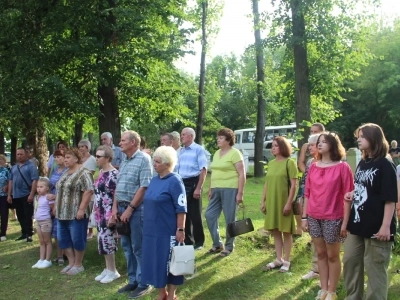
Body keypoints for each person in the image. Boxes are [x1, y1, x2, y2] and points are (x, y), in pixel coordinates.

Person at [343, 123, 397, 300]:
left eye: (362, 136)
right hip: (357, 224)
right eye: (358, 136)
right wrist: (353, 193)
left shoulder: (385, 164)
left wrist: (385, 227)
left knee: (375, 269)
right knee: (350, 261)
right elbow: (363, 187)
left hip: (377, 227)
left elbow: (390, 198)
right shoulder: (363, 163)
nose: (358, 139)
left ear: (374, 138)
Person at [302, 132, 354, 300]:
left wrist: (345, 223)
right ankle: (323, 289)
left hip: (334, 216)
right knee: (321, 254)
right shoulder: (313, 166)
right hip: (314, 216)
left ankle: (332, 291)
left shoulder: (343, 167)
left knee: (332, 255)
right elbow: (307, 193)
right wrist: (304, 217)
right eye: (318, 142)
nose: (319, 144)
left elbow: (348, 196)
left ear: (333, 144)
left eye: (324, 141)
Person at [141, 146, 187, 300]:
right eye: (154, 160)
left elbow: (181, 207)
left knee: (170, 263)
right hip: (150, 230)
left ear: (167, 164)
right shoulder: (154, 180)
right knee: (154, 261)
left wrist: (180, 229)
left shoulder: (175, 181)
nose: (154, 164)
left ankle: (172, 294)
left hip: (167, 230)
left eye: (157, 162)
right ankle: (161, 293)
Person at [112, 130, 153, 298]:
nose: (119, 143)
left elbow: (144, 187)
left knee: (139, 247)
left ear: (133, 143)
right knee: (127, 247)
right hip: (121, 208)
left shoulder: (144, 159)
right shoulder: (125, 160)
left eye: (122, 140)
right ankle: (133, 280)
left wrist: (130, 209)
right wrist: (115, 208)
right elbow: (119, 186)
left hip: (137, 210)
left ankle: (144, 283)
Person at [205, 128, 246, 257]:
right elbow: (214, 172)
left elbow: (242, 174)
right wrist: (211, 188)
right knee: (209, 215)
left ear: (228, 140)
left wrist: (240, 193)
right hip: (216, 189)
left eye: (221, 138)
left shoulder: (235, 153)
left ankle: (229, 246)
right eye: (218, 137)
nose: (218, 139)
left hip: (230, 189)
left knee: (230, 219)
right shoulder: (217, 153)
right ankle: (217, 243)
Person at [260, 136, 298, 272]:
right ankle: (278, 258)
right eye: (272, 146)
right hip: (272, 201)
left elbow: (294, 185)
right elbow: (267, 183)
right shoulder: (271, 163)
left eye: (276, 145)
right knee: (275, 231)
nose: (273, 148)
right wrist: (263, 201)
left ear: (283, 147)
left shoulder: (290, 163)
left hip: (283, 202)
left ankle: (287, 260)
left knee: (286, 231)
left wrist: (289, 203)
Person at [55, 148, 94, 275]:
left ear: (76, 159)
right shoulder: (65, 173)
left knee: (77, 239)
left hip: (76, 213)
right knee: (63, 239)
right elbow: (60, 190)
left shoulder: (84, 172)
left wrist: (81, 209)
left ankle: (78, 264)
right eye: (65, 157)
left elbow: (88, 191)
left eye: (68, 157)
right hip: (62, 213)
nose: (65, 160)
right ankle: (71, 263)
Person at [176, 127, 207, 249]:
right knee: (184, 212)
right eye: (181, 134)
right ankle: (188, 240)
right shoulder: (181, 151)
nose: (181, 136)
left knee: (195, 214)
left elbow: (203, 170)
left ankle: (199, 241)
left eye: (183, 134)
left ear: (191, 136)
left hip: (193, 181)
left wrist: (198, 188)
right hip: (181, 182)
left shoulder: (198, 150)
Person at [93, 145, 120, 284]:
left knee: (108, 240)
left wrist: (113, 214)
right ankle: (107, 268)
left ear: (108, 158)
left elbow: (116, 195)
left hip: (108, 211)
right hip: (99, 211)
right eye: (96, 156)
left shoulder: (114, 174)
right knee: (101, 240)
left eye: (99, 156)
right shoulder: (101, 172)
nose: (96, 158)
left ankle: (113, 270)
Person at [296, 123, 325, 235]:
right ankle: (301, 227)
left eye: (316, 131)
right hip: (307, 173)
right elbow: (301, 162)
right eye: (311, 131)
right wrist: (308, 173)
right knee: (300, 200)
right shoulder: (306, 146)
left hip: (319, 176)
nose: (313, 133)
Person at [300, 134, 321, 280]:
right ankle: (315, 269)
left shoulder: (332, 162)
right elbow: (306, 183)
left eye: (311, 145)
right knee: (315, 239)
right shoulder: (309, 162)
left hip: (325, 206)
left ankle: (326, 277)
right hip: (311, 203)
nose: (309, 148)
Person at [7, 147, 39, 242]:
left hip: (27, 194)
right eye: (18, 154)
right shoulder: (14, 167)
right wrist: (9, 194)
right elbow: (10, 181)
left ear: (26, 155)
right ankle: (23, 232)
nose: (19, 156)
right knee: (20, 215)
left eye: (21, 154)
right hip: (16, 195)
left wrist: (32, 194)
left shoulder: (31, 166)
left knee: (28, 214)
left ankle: (29, 233)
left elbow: (34, 180)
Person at [47, 149, 68, 265]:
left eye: (59, 157)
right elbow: (50, 185)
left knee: (61, 230)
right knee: (55, 230)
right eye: (55, 157)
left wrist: (55, 198)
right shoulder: (55, 170)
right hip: (52, 202)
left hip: (61, 202)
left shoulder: (67, 171)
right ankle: (59, 254)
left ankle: (63, 254)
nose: (57, 159)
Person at [32, 177, 54, 269]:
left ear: (47, 188)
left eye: (41, 187)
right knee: (41, 242)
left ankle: (48, 260)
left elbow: (53, 210)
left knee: (47, 241)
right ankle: (41, 259)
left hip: (46, 221)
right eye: (37, 187)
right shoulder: (37, 197)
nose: (39, 189)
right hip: (38, 221)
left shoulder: (48, 197)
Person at [78, 139, 96, 239]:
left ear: (87, 148)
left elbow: (91, 173)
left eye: (83, 147)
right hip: (78, 187)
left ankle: (90, 231)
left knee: (89, 206)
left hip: (88, 186)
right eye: (79, 147)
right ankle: (83, 229)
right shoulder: (78, 159)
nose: (81, 148)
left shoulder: (92, 159)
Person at [0, 154, 10, 241]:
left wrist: (7, 186)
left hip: (3, 196)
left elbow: (10, 181)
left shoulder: (6, 171)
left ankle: (3, 233)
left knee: (4, 214)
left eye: (1, 159)